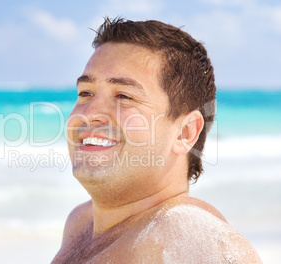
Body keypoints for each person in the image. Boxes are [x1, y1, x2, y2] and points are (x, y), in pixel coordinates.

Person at [52, 17, 262, 263]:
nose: (88, 115)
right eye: (85, 93)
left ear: (185, 132)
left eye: (123, 96)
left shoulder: (194, 239)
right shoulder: (80, 223)